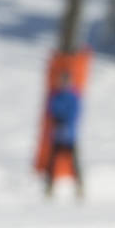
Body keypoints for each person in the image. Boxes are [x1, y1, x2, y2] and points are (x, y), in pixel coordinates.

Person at [44, 70, 84, 198]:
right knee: (52, 161)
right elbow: (52, 110)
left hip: (69, 134)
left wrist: (65, 122)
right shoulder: (56, 96)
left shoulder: (73, 97)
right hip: (57, 133)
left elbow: (74, 114)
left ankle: (79, 187)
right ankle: (49, 187)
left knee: (74, 162)